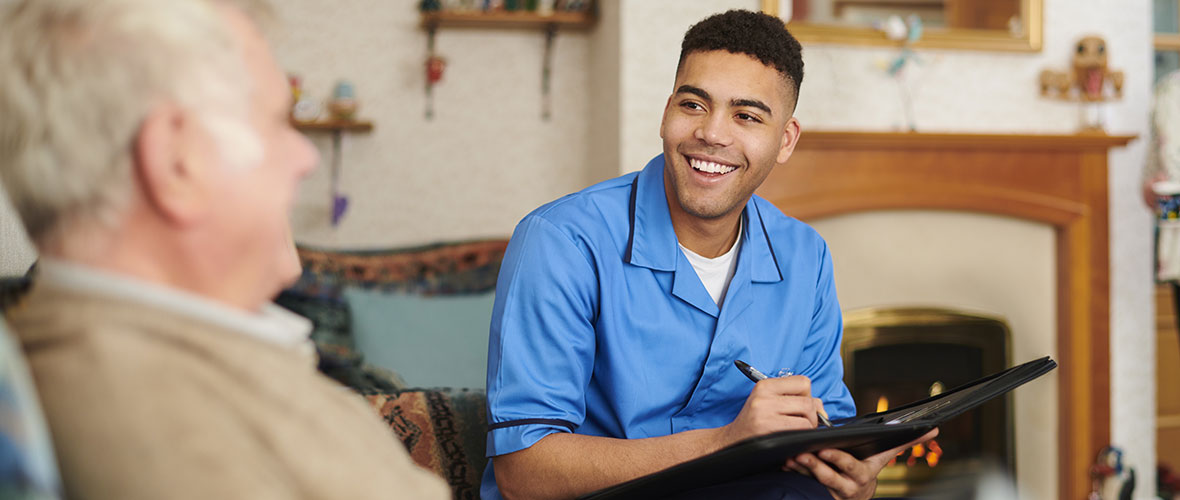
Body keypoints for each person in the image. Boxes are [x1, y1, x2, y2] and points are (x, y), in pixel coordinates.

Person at [0, 1, 449, 498]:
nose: (305, 159)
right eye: (276, 121)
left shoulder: (169, 351)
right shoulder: (152, 423)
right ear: (176, 162)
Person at [482, 10, 936, 500]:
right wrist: (726, 443)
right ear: (665, 113)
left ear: (785, 140)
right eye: (694, 105)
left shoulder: (806, 256)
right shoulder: (560, 242)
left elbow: (826, 431)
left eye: (746, 116)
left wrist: (852, 477)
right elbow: (522, 474)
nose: (713, 134)